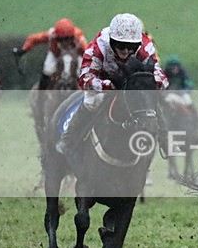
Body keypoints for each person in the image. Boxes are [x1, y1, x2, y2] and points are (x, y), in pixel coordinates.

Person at [54, 13, 169, 155]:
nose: (126, 51)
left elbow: (162, 78)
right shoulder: (98, 46)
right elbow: (85, 79)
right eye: (121, 46)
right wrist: (107, 85)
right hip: (103, 79)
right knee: (92, 101)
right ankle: (68, 140)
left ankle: (165, 141)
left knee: (148, 101)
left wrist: (149, 85)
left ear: (138, 44)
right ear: (111, 41)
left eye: (131, 47)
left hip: (131, 80)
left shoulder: (145, 46)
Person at [13, 18, 88, 91]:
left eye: (67, 39)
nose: (64, 43)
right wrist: (23, 50)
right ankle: (41, 95)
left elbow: (87, 51)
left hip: (76, 53)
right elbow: (33, 39)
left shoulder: (79, 37)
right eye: (60, 39)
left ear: (72, 37)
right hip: (56, 53)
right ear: (56, 37)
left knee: (82, 72)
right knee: (48, 69)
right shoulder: (51, 35)